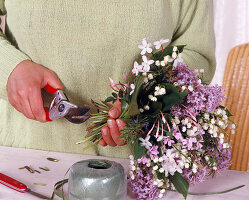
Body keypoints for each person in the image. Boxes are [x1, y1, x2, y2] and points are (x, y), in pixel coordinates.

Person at [0, 0, 216, 158]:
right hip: (23, 156)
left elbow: (197, 53)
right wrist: (9, 68)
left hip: (132, 167)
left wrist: (144, 100)